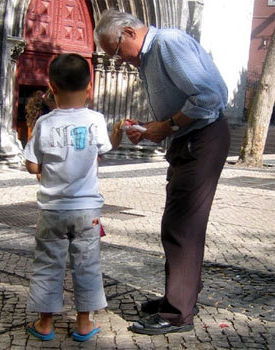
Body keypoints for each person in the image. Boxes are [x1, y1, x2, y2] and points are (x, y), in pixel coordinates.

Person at [95, 9, 230, 335]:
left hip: (202, 139)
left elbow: (210, 96)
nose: (117, 61)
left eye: (114, 51)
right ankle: (180, 297)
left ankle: (177, 314)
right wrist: (151, 129)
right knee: (181, 225)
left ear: (128, 33)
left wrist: (167, 125)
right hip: (187, 141)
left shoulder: (167, 43)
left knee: (181, 227)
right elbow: (184, 100)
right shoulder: (152, 54)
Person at [24, 53, 123, 342]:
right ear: (89, 88)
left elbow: (32, 164)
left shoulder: (44, 123)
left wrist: (41, 168)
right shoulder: (96, 120)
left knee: (47, 263)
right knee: (87, 263)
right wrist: (116, 133)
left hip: (52, 209)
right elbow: (104, 149)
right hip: (87, 210)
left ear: (51, 87)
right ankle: (83, 324)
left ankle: (45, 324)